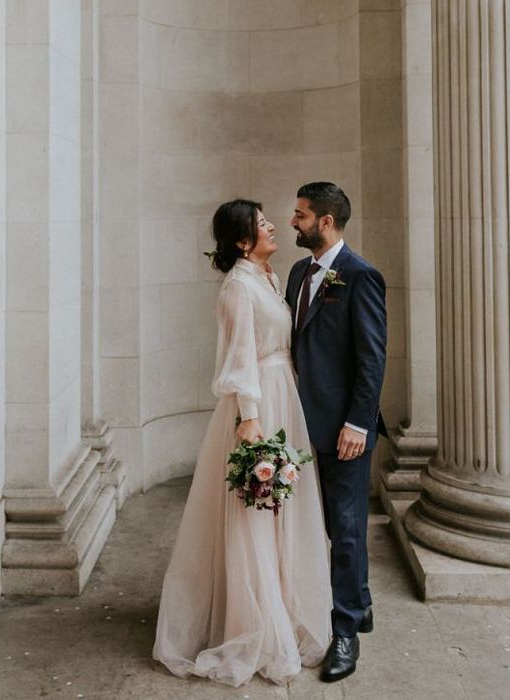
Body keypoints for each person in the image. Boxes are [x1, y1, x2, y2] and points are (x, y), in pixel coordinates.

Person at [153, 199, 331, 687]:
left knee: (283, 512)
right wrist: (249, 419)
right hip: (259, 405)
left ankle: (285, 606)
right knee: (255, 513)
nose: (273, 226)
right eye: (262, 224)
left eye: (270, 220)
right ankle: (254, 623)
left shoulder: (269, 277)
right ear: (240, 240)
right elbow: (238, 359)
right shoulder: (236, 288)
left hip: (284, 395)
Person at [287, 182, 387, 682]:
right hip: (306, 424)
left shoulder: (361, 276)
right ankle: (361, 603)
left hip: (345, 428)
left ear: (326, 222)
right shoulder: (298, 273)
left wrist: (357, 424)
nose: (293, 222)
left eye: (301, 215)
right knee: (331, 526)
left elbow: (372, 360)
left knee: (345, 532)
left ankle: (344, 632)